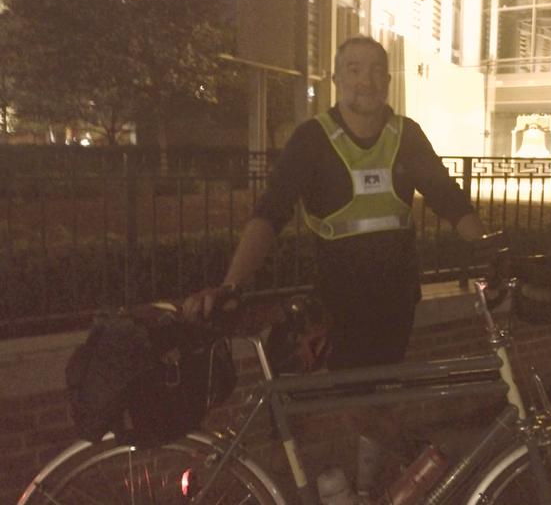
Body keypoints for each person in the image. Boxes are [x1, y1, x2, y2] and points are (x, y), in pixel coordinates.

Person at [187, 35, 485, 371]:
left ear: (387, 81)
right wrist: (232, 286)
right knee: (341, 408)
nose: (365, 81)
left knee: (382, 400)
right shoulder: (311, 139)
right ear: (336, 79)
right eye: (353, 69)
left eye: (376, 71)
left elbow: (449, 199)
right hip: (333, 307)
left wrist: (490, 252)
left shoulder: (407, 135)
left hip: (396, 304)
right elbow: (270, 213)